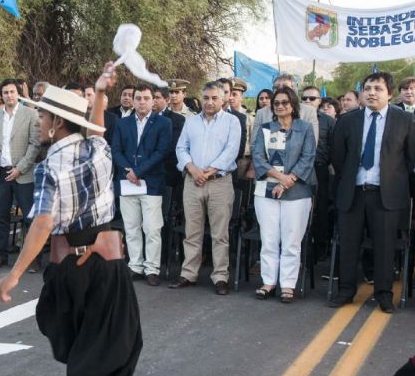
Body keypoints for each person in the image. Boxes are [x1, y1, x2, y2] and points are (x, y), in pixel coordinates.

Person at [0, 64, 142, 376]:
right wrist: (100, 92)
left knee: (86, 341)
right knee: (106, 335)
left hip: (70, 269)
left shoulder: (50, 167)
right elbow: (96, 125)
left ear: (58, 123)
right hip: (109, 263)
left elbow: (43, 224)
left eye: (43, 115)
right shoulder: (99, 148)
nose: (39, 120)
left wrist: (14, 274)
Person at [330, 72, 415, 313]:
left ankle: (384, 294)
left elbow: (411, 158)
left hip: (385, 195)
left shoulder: (404, 120)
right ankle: (346, 291)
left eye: (378, 88)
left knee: (384, 247)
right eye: (367, 88)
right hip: (353, 193)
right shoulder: (348, 120)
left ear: (389, 93)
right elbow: (338, 157)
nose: (371, 93)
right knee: (349, 244)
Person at [169, 81, 241, 295]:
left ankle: (220, 276)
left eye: (214, 98)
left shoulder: (231, 122)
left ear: (223, 99)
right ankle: (188, 274)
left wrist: (209, 171)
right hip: (192, 182)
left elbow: (231, 150)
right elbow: (181, 147)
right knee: (192, 232)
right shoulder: (191, 121)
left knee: (220, 234)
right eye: (206, 98)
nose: (209, 102)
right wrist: (192, 168)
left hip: (219, 182)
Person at [251, 87, 317, 303]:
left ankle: (288, 284)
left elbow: (308, 158)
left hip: (296, 192)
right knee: (269, 239)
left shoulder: (305, 128)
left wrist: (288, 181)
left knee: (291, 241)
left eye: (284, 103)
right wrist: (279, 178)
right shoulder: (264, 128)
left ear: (293, 105)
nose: (280, 106)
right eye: (276, 103)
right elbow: (258, 158)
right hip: (266, 191)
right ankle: (268, 282)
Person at [111, 84, 173, 286]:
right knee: (131, 227)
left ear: (153, 100)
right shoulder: (123, 123)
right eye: (138, 98)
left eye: (146, 98)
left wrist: (139, 171)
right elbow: (116, 150)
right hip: (128, 182)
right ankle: (135, 266)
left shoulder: (163, 123)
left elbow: (161, 152)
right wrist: (129, 171)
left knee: (152, 228)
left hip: (152, 183)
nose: (141, 102)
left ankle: (152, 268)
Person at [0, 79, 41, 270]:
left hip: (23, 174)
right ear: (1, 95)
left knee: (30, 218)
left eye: (12, 92)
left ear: (18, 94)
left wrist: (20, 168)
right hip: (0, 174)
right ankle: (0, 257)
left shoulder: (31, 114)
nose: (9, 95)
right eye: (5, 93)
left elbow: (35, 144)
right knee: (1, 217)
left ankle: (32, 260)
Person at [301, 85, 336, 260]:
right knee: (300, 210)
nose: (307, 101)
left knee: (320, 210)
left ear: (319, 101)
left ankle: (320, 250)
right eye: (304, 98)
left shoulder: (329, 121)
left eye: (312, 98)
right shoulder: (295, 118)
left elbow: (334, 147)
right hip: (298, 171)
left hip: (320, 169)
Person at [253, 74, 319, 145]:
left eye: (285, 87)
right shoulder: (261, 113)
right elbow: (255, 144)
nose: (280, 90)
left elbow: (311, 144)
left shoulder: (308, 112)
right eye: (276, 87)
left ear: (294, 90)